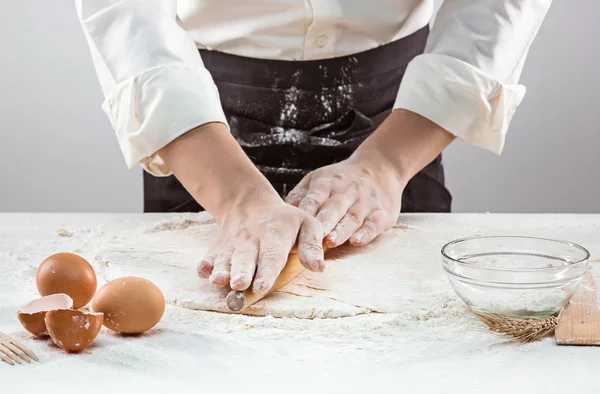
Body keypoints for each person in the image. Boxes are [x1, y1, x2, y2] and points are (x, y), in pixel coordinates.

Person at [75, 1, 551, 295]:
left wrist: (385, 164)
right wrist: (235, 195)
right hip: (198, 124)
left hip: (400, 116)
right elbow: (126, 13)